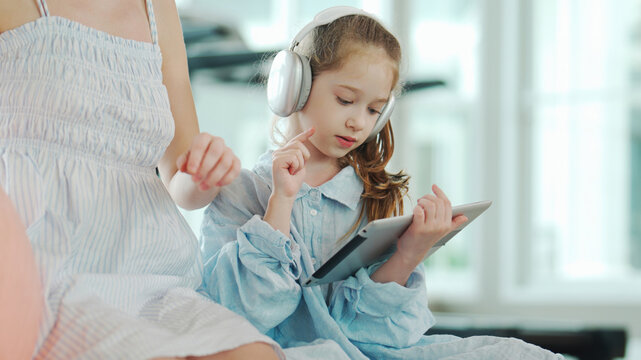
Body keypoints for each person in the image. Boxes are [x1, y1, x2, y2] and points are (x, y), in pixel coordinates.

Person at [200, 6, 565, 360]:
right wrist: (281, 200)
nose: (359, 122)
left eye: (374, 110)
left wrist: (411, 252)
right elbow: (245, 314)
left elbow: (369, 335)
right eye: (346, 100)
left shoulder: (370, 200)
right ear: (294, 86)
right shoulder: (240, 192)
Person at [0, 0, 281, 358]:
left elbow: (180, 178)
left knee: (256, 353)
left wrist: (205, 175)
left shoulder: (158, 9)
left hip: (152, 270)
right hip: (49, 264)